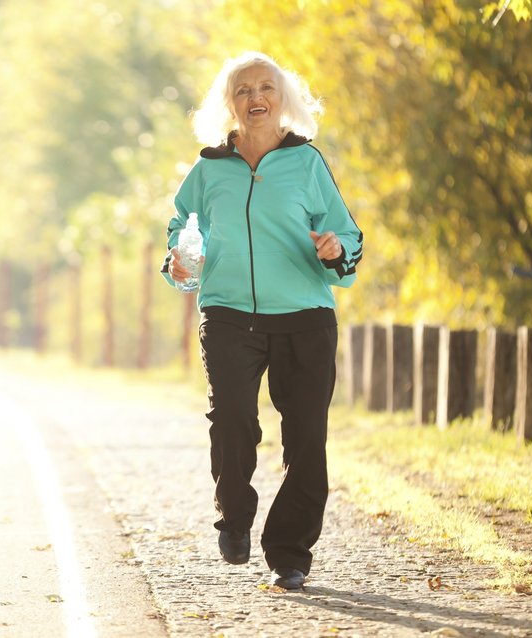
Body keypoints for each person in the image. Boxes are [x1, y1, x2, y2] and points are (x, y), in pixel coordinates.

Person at [161, 52, 363, 590]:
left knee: (306, 437)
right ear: (228, 103)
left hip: (304, 316)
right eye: (244, 89)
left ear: (283, 99)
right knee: (231, 418)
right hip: (228, 314)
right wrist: (180, 264)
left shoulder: (307, 163)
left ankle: (290, 552)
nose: (256, 98)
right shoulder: (208, 170)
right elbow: (181, 236)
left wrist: (333, 246)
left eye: (266, 88)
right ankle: (234, 514)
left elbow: (348, 235)